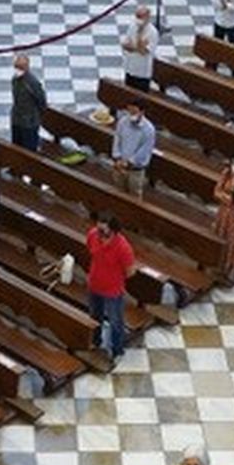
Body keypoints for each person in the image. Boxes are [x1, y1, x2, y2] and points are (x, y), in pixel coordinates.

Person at [86, 213, 135, 362]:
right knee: (95, 316)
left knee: (115, 322)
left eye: (103, 231)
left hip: (112, 291)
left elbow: (130, 272)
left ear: (113, 231)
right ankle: (96, 342)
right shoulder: (92, 235)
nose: (99, 234)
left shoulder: (123, 247)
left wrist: (113, 277)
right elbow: (90, 249)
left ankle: (117, 350)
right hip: (94, 285)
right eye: (98, 229)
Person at [110, 100, 157, 197]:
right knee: (118, 191)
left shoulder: (149, 129)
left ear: (142, 112)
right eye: (129, 111)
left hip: (136, 169)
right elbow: (117, 139)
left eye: (134, 112)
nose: (130, 115)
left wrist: (129, 162)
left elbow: (144, 150)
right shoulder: (123, 122)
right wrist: (117, 157)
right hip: (120, 164)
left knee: (134, 194)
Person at [9, 53, 47, 151]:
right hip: (16, 119)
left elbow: (41, 101)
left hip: (29, 122)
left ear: (27, 67)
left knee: (29, 149)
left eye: (20, 67)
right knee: (16, 146)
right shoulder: (15, 79)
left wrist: (36, 115)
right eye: (16, 66)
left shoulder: (33, 83)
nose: (18, 69)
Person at [119, 5, 158, 91]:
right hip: (130, 68)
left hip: (142, 73)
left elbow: (143, 52)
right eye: (137, 16)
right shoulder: (132, 26)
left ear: (147, 17)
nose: (138, 19)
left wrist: (140, 34)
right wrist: (137, 47)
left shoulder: (153, 32)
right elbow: (125, 45)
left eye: (140, 17)